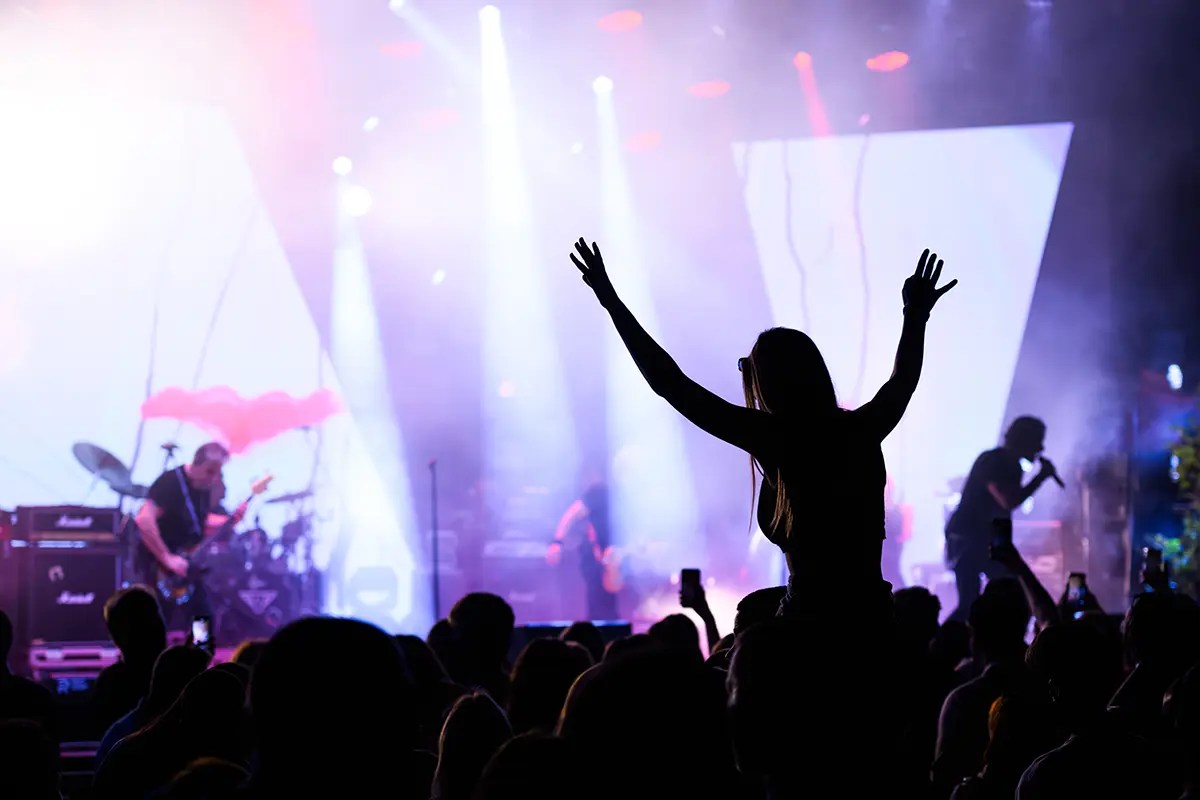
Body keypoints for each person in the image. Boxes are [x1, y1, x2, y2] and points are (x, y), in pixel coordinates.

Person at [568, 238, 955, 624]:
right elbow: (903, 380)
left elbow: (671, 384)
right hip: (870, 614)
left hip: (811, 620)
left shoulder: (776, 436)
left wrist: (611, 302)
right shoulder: (862, 427)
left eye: (747, 367)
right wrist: (915, 316)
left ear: (767, 382)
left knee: (748, 621)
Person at [944, 417, 1059, 622]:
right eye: (1037, 441)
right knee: (972, 602)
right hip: (968, 538)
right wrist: (1041, 477)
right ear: (1025, 439)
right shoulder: (997, 461)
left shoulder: (1003, 462)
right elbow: (1008, 500)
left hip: (980, 539)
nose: (1040, 448)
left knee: (1002, 593)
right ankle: (944, 639)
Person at [134, 442, 248, 631]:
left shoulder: (202, 490)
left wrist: (231, 520)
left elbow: (199, 524)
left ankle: (199, 649)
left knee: (203, 617)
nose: (213, 478)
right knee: (156, 621)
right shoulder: (171, 482)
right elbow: (144, 519)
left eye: (217, 473)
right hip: (158, 565)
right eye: (209, 472)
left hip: (186, 563)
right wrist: (166, 557)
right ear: (196, 463)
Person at [546, 482, 619, 621]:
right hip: (596, 559)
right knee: (597, 600)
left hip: (617, 561)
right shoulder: (599, 493)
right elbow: (573, 513)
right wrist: (557, 542)